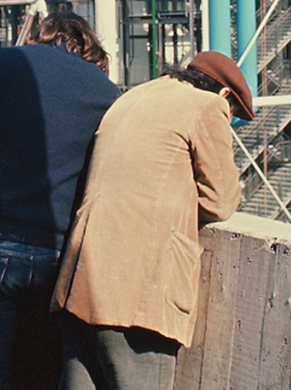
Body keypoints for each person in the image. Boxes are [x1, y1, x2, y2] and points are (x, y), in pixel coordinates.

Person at [0, 11, 121, 390]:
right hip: (56, 258)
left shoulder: (7, 61)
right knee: (39, 376)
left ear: (43, 34)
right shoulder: (108, 93)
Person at [51, 51, 252, 390]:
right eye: (234, 114)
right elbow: (220, 202)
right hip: (137, 294)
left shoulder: (137, 95)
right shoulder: (207, 106)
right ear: (226, 95)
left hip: (82, 282)